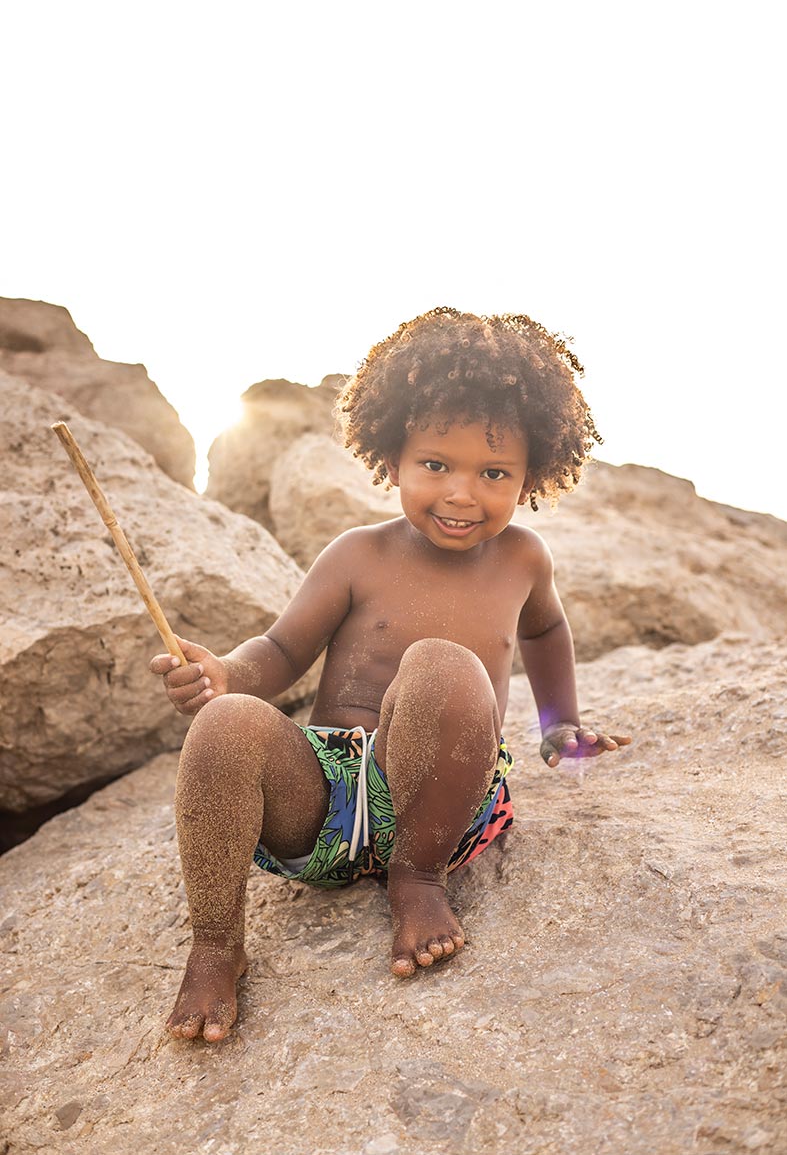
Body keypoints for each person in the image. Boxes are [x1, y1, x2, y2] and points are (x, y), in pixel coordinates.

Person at [150, 306, 630, 1043]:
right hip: (323, 803)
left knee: (441, 664)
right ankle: (216, 942)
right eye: (435, 464)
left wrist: (559, 723)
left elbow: (545, 629)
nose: (461, 493)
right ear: (392, 454)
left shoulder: (524, 561)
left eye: (493, 472)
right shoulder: (356, 554)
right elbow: (280, 652)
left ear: (532, 475)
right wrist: (226, 673)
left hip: (439, 798)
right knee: (223, 727)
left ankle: (417, 879)